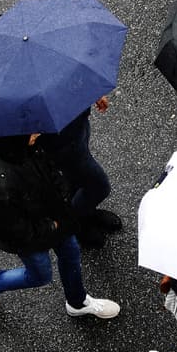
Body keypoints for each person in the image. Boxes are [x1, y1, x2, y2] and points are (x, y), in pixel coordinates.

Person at [0, 133, 120, 319]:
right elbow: (12, 229)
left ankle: (77, 302)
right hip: (33, 237)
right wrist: (51, 226)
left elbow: (54, 174)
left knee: (71, 254)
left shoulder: (30, 148)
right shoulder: (0, 184)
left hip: (56, 219)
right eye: (31, 133)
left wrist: (63, 200)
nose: (37, 133)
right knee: (40, 275)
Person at [34, 96, 122, 249]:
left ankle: (86, 213)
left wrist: (90, 93)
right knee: (99, 187)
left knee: (75, 177)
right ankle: (77, 222)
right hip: (59, 140)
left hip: (76, 122)